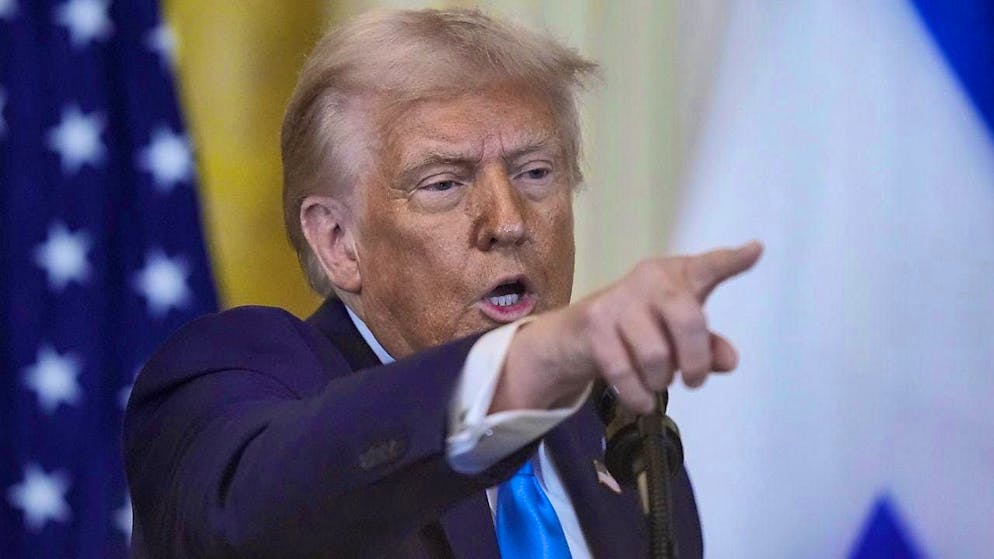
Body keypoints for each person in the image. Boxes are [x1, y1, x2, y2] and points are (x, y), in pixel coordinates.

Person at [124, 8, 762, 558]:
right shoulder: (240, 373)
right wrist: (523, 366)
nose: (508, 221)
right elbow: (245, 518)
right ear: (338, 241)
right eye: (444, 184)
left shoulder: (621, 439)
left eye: (535, 173)